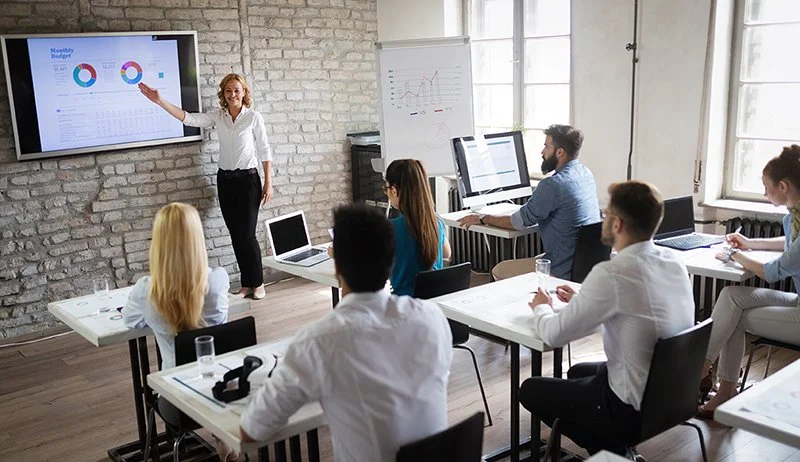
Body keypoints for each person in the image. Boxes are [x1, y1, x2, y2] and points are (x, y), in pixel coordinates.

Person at [240, 205, 453, 461]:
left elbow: (252, 430)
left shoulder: (318, 342)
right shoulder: (432, 318)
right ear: (391, 261)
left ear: (337, 267)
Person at [521, 181, 693, 457]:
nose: (602, 217)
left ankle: (615, 453)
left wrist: (542, 307)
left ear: (618, 224)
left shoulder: (613, 273)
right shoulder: (674, 262)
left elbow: (552, 335)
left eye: (606, 213)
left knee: (530, 389)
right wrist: (582, 302)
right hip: (671, 394)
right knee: (578, 372)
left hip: (630, 409)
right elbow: (637, 313)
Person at [122, 203, 239, 461]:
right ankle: (222, 435)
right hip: (226, 392)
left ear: (159, 243)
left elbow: (130, 321)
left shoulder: (147, 290)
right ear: (197, 238)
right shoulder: (218, 280)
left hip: (179, 403)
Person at [139, 73, 272, 300]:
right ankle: (246, 284)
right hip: (225, 182)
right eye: (228, 91)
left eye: (236, 90)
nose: (232, 95)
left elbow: (265, 150)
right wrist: (160, 101)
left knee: (247, 235)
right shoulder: (218, 117)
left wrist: (268, 182)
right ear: (223, 93)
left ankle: (258, 283)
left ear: (244, 92)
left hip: (249, 181)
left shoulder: (253, 118)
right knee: (235, 235)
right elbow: (189, 119)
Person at [698, 145, 800, 417]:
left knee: (734, 318)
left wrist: (737, 254)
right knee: (731, 296)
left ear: (783, 185)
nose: (764, 193)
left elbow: (773, 272)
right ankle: (704, 367)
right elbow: (790, 246)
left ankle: (717, 388)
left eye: (766, 187)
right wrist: (750, 243)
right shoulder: (795, 217)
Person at [458, 124, 600, 281]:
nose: (542, 151)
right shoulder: (585, 174)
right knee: (539, 257)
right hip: (584, 266)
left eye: (546, 146)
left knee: (500, 269)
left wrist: (482, 218)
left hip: (560, 269)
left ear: (560, 152)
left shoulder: (553, 185)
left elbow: (517, 223)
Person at [384, 159, 451, 295]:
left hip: (404, 307)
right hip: (434, 306)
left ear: (394, 191)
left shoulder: (391, 229)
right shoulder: (436, 222)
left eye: (386, 188)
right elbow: (447, 254)